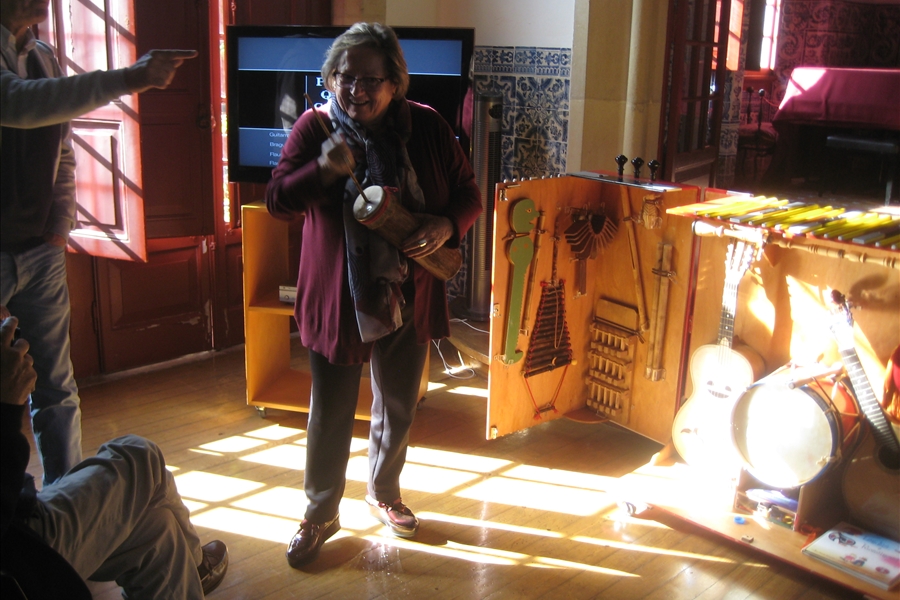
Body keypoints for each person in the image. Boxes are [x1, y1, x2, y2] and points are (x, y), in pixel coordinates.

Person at [266, 22, 481, 568]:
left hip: (412, 289)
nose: (355, 89)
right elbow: (277, 200)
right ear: (330, 77)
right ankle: (321, 512)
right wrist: (322, 168)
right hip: (340, 297)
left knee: (399, 403)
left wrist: (446, 225)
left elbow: (469, 194)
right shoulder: (315, 129)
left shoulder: (427, 126)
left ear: (394, 82)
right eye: (344, 76)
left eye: (369, 80)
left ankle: (384, 493)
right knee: (331, 408)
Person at [0, 0, 196, 485]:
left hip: (40, 252)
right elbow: (19, 103)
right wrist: (131, 78)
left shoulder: (43, 54)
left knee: (56, 388)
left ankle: (64, 502)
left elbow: (63, 149)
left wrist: (59, 224)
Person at [0, 315, 228, 598]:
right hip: (16, 545)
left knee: (158, 530)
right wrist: (5, 407)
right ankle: (198, 566)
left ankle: (195, 567)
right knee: (139, 455)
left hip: (17, 518)